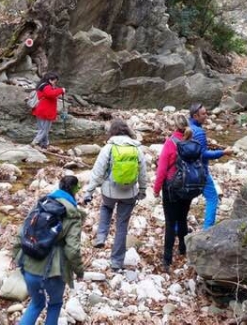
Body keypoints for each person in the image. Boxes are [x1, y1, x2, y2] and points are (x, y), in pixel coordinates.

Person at [13, 175, 84, 325]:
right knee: (55, 304)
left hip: (29, 266)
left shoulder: (40, 205)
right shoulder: (73, 215)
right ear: (74, 191)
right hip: (53, 272)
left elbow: (21, 234)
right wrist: (79, 271)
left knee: (36, 303)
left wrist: (18, 259)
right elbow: (72, 250)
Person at [81, 119, 148, 271]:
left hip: (109, 192)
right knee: (122, 226)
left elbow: (98, 173)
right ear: (127, 131)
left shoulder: (109, 148)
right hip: (130, 193)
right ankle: (116, 262)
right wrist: (143, 190)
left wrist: (89, 191)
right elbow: (143, 173)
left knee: (106, 207)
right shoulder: (136, 148)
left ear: (112, 131)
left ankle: (101, 237)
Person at [153, 114, 196, 272]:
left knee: (170, 223)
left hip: (172, 187)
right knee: (183, 218)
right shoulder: (191, 141)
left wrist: (156, 189)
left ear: (174, 127)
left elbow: (162, 170)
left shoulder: (170, 143)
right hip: (189, 186)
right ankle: (183, 249)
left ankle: (167, 259)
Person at [188, 102, 233, 229]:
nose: (206, 116)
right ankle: (207, 229)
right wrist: (223, 152)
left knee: (185, 200)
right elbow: (203, 154)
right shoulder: (199, 132)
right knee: (212, 198)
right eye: (203, 114)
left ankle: (176, 228)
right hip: (200, 170)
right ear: (195, 116)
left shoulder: (186, 127)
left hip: (186, 169)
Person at [31, 71, 66, 148]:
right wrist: (61, 90)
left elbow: (49, 93)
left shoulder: (41, 85)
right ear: (50, 80)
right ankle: (34, 142)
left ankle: (45, 144)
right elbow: (50, 94)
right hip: (46, 111)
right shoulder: (47, 86)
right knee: (44, 130)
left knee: (42, 129)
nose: (55, 83)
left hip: (40, 110)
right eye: (54, 81)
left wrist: (57, 90)